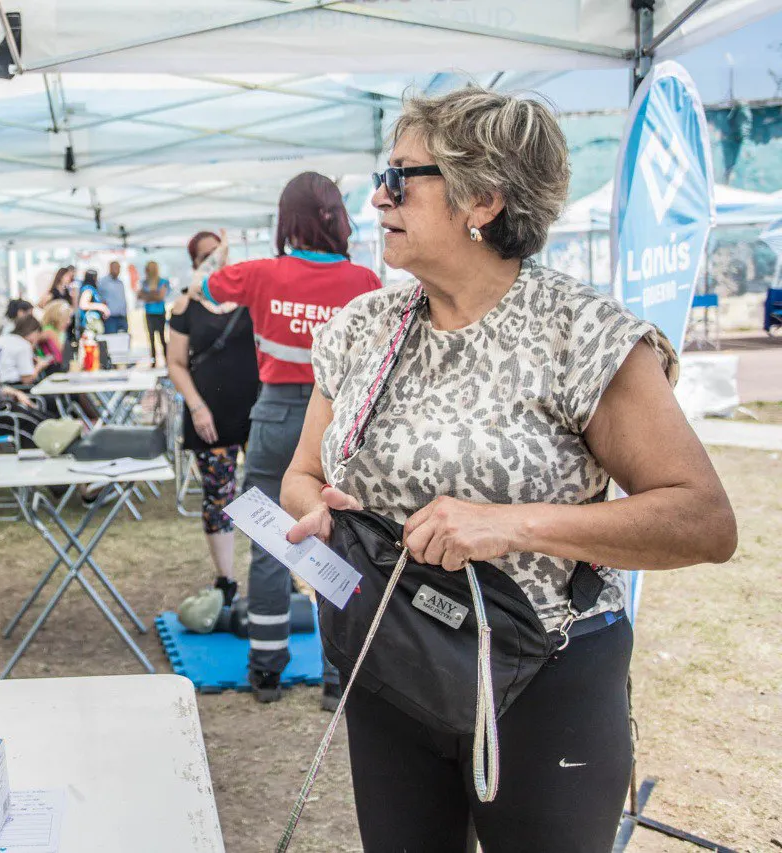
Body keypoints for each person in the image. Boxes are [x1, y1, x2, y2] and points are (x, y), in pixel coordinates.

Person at [281, 86, 737, 851]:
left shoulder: (582, 332)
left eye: (400, 177)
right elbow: (302, 473)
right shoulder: (362, 327)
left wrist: (508, 526)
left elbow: (704, 520)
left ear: (482, 198)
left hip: (543, 677)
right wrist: (316, 515)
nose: (378, 195)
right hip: (393, 659)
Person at [199, 172, 381, 708]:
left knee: (272, 541)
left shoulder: (260, 273)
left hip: (275, 416)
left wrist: (223, 253)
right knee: (341, 543)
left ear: (287, 220)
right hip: (339, 422)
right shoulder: (364, 282)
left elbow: (204, 289)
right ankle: (335, 676)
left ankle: (265, 668)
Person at [168, 232, 259, 606]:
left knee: (264, 496)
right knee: (218, 496)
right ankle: (227, 581)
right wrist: (196, 405)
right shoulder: (184, 306)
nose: (214, 262)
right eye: (206, 256)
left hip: (255, 412)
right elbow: (175, 364)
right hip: (209, 415)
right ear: (195, 263)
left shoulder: (250, 298)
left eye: (219, 255)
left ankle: (273, 575)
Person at [0, 315, 52, 385]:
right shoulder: (23, 345)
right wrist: (39, 366)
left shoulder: (2, 339)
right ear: (34, 332)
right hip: (14, 386)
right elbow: (27, 380)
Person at [136, 260, 170, 365]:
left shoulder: (163, 281)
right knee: (151, 338)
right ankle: (153, 361)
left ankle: (167, 360)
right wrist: (154, 295)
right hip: (149, 313)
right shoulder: (145, 282)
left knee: (162, 337)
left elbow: (160, 296)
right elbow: (140, 296)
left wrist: (148, 296)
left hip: (159, 313)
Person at [37, 299, 74, 372]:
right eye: (66, 318)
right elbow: (62, 354)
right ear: (57, 318)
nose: (69, 322)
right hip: (54, 369)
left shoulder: (59, 332)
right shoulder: (49, 331)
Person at [98, 260, 130, 335]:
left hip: (122, 316)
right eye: (115, 268)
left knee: (123, 339)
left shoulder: (120, 282)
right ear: (110, 268)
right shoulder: (103, 282)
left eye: (118, 268)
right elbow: (99, 298)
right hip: (110, 317)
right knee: (111, 339)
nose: (117, 270)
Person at [77, 269, 109, 337]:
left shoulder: (93, 290)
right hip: (90, 324)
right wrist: (101, 307)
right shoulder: (88, 289)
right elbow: (83, 304)